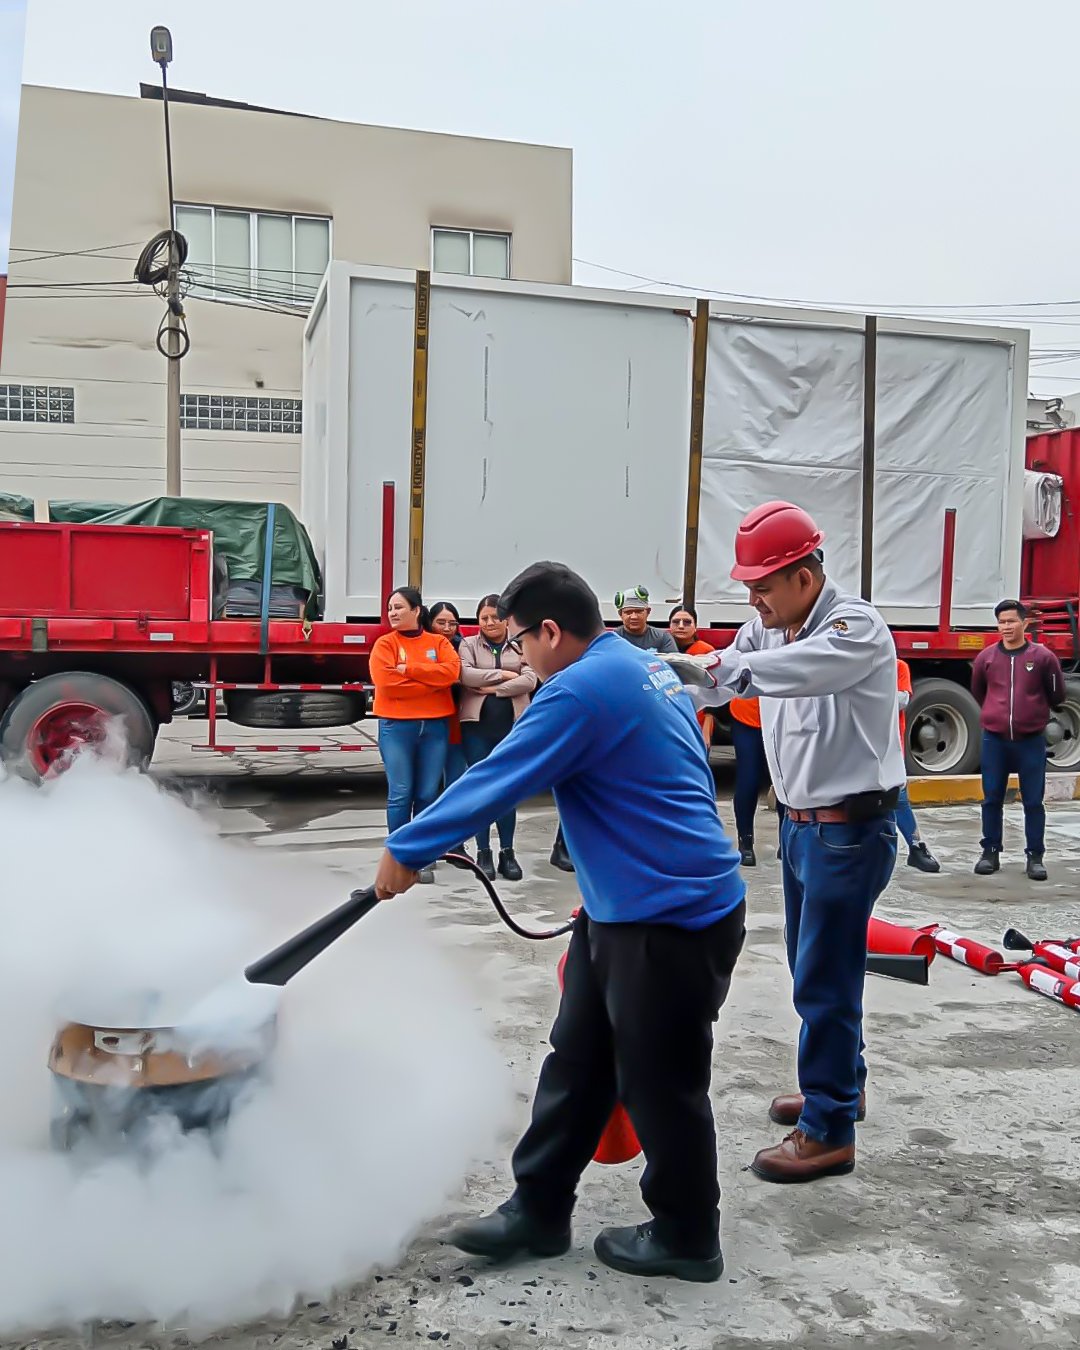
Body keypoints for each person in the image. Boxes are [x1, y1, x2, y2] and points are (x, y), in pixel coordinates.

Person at [375, 562, 746, 1283]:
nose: (519, 657)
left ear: (550, 631)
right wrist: (608, 887)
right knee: (576, 1060)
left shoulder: (579, 688)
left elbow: (499, 775)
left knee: (661, 1081)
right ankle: (539, 1208)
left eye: (520, 642)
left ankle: (687, 1233)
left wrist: (408, 847)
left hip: (671, 918)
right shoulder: (641, 666)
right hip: (627, 909)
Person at [668, 501, 904, 1184]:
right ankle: (842, 1087)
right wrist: (665, 679)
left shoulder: (853, 627)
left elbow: (779, 670)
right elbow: (723, 673)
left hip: (847, 832)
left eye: (763, 586)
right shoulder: (768, 626)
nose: (754, 601)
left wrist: (707, 669)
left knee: (825, 981)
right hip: (802, 828)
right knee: (814, 969)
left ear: (804, 576)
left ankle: (828, 1131)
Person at [369, 587, 460, 884]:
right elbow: (387, 684)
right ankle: (399, 857)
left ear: (416, 610)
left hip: (435, 727)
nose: (392, 613)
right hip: (397, 727)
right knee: (401, 792)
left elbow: (451, 673)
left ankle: (422, 854)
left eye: (399, 607)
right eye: (390, 608)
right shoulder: (385, 644)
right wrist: (432, 684)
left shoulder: (438, 642)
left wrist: (408, 668)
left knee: (427, 794)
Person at [971, 599, 1065, 882]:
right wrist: (996, 715)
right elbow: (979, 692)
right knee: (992, 798)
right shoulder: (986, 658)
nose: (1006, 627)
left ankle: (1035, 856)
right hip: (995, 740)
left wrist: (1030, 713)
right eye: (1001, 622)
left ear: (1025, 623)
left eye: (1011, 621)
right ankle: (990, 852)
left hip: (1030, 740)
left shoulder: (1043, 657)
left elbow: (1057, 695)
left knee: (1033, 801)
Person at [457, 594, 538, 881]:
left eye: (495, 617)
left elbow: (530, 679)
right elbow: (467, 676)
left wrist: (493, 688)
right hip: (477, 730)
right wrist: (505, 674)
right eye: (484, 618)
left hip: (512, 729)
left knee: (506, 791)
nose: (490, 622)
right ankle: (483, 853)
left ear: (506, 620)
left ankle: (507, 852)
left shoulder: (521, 644)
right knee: (481, 791)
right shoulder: (468, 644)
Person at [430, 601, 470, 863]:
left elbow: (467, 677)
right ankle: (429, 843)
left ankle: (456, 845)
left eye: (452, 623)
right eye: (441, 622)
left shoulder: (462, 647)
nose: (447, 628)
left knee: (455, 783)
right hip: (429, 722)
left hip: (456, 719)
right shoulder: (423, 646)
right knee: (427, 788)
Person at [895, 659, 940, 873]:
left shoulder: (897, 666)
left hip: (890, 746)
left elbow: (901, 700)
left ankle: (916, 846)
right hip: (857, 745)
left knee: (898, 797)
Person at [668, 604, 716, 748]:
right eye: (676, 622)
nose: (681, 626)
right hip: (668, 718)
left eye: (687, 622)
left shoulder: (707, 651)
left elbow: (714, 693)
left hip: (698, 719)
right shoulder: (661, 650)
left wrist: (706, 730)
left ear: (695, 626)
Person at [614, 586, 677, 652]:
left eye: (639, 612)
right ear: (620, 614)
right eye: (628, 612)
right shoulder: (612, 639)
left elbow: (672, 658)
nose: (634, 617)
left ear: (648, 612)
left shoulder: (662, 637)